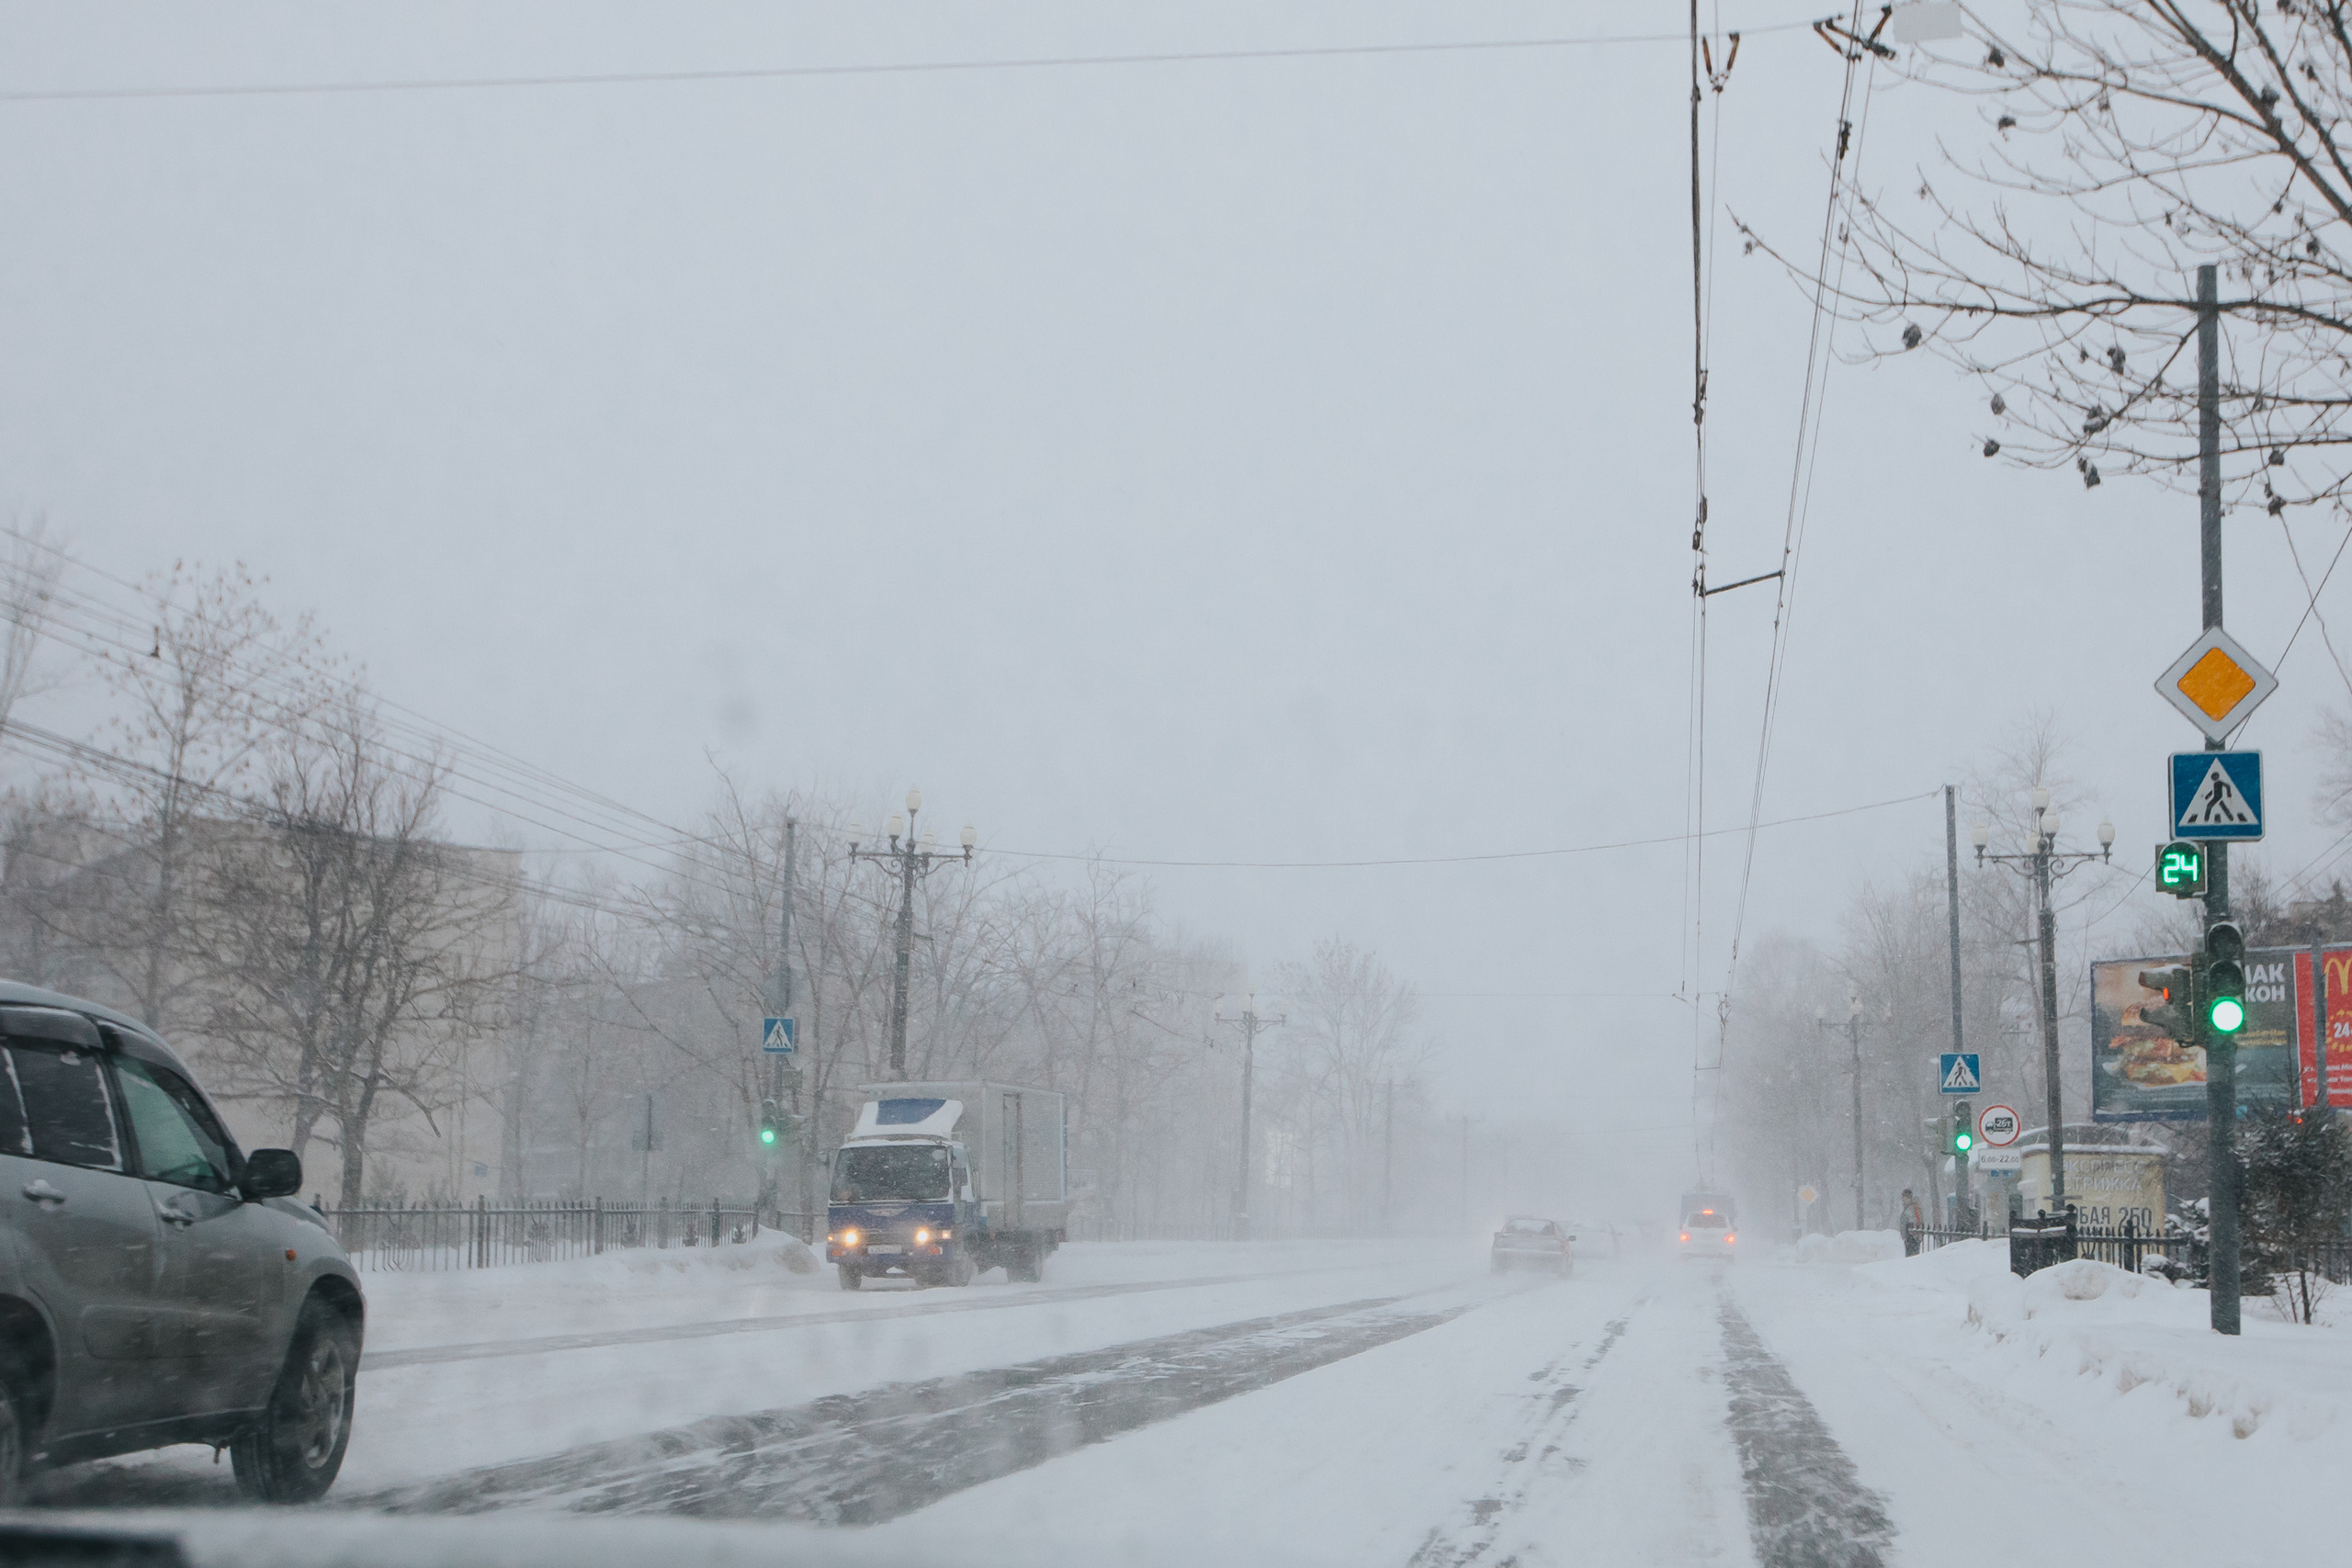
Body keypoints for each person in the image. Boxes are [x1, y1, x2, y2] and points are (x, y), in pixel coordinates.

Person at [1899, 1188, 1926, 1256]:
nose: (1902, 1199)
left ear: (1907, 1197)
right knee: (1913, 1256)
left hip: (1911, 1237)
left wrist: (1905, 1235)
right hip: (1914, 1236)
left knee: (1911, 1256)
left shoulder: (1910, 1209)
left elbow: (1906, 1222)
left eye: (1903, 1197)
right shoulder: (1914, 1207)